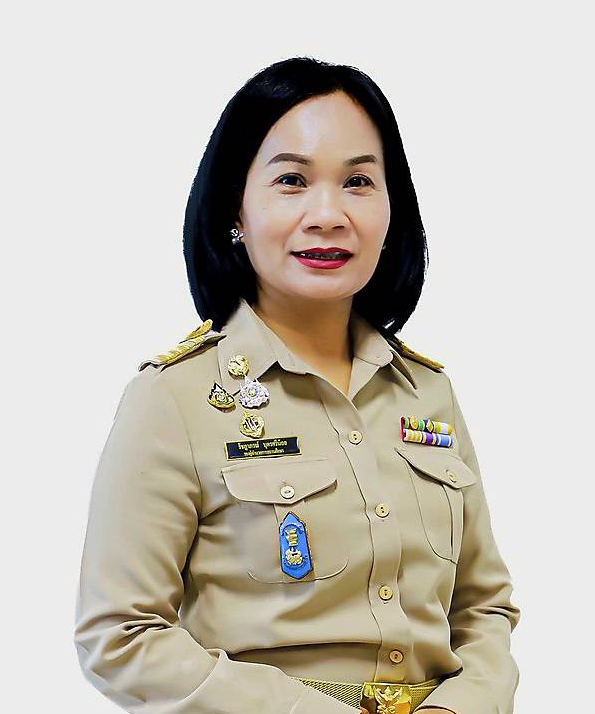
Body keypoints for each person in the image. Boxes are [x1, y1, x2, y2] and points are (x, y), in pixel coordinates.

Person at [74, 57, 521, 714]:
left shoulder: (427, 394)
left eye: (359, 181)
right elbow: (120, 635)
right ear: (236, 208)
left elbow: (483, 608)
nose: (328, 214)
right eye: (291, 180)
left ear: (391, 207)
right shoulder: (174, 398)